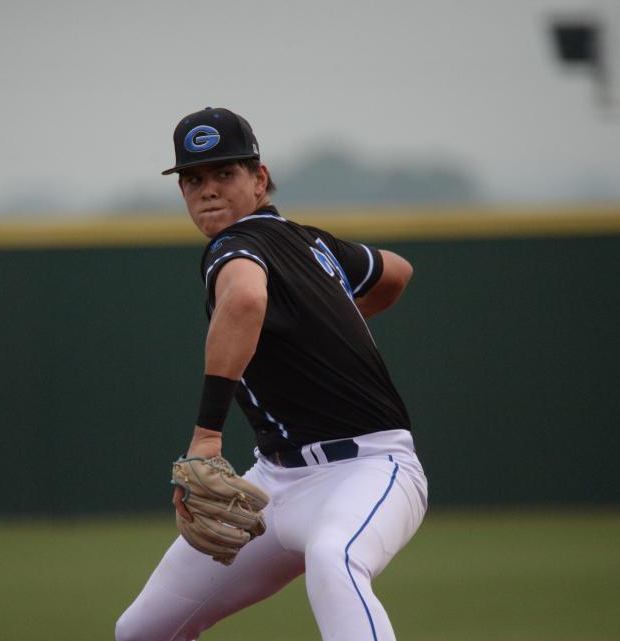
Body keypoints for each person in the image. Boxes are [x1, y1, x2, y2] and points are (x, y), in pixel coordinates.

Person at [115, 107, 428, 641]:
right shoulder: (314, 245)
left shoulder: (233, 247)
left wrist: (206, 436)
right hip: (272, 485)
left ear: (259, 179)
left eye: (224, 173)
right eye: (193, 179)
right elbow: (395, 271)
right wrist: (324, 325)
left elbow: (243, 298)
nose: (207, 190)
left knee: (336, 559)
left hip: (367, 470)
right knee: (141, 630)